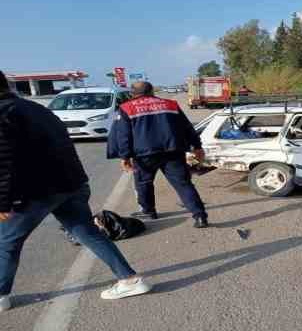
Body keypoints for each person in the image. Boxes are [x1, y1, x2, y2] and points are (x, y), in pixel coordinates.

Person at [0, 71, 151, 312]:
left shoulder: (5, 112)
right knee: (87, 233)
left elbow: (4, 160)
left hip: (36, 191)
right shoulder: (36, 109)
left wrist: (3, 202)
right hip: (71, 184)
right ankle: (130, 279)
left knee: (6, 242)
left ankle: (1, 295)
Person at [107, 81, 210, 228]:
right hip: (173, 152)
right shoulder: (171, 105)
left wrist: (125, 156)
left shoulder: (127, 108)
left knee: (143, 183)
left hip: (144, 155)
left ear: (132, 93)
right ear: (152, 91)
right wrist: (197, 146)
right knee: (183, 184)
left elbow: (124, 136)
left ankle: (149, 211)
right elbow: (187, 127)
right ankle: (200, 216)